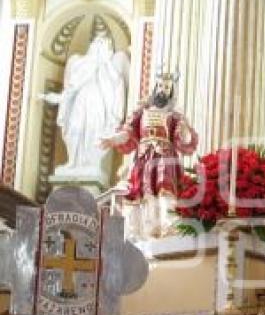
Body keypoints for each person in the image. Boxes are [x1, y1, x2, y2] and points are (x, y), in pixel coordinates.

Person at [40, 34, 130, 176]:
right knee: (75, 127)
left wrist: (106, 63)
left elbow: (119, 84)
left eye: (104, 43)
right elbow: (70, 87)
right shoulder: (79, 62)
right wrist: (58, 98)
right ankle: (73, 161)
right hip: (79, 102)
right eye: (97, 42)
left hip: (98, 105)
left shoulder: (110, 65)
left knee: (93, 129)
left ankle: (90, 162)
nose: (99, 45)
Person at [101, 70, 197, 202]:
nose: (162, 90)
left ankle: (164, 218)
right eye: (160, 86)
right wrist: (112, 140)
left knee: (165, 189)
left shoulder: (174, 115)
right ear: (155, 88)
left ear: (171, 92)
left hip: (165, 156)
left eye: (167, 87)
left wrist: (185, 126)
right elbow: (128, 133)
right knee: (142, 189)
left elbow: (184, 140)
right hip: (143, 156)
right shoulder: (141, 112)